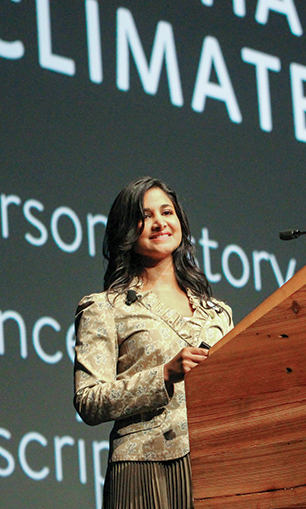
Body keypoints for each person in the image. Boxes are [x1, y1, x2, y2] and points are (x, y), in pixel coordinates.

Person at [73, 176, 233, 509]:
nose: (159, 222)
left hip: (219, 464)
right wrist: (163, 375)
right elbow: (89, 400)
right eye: (145, 216)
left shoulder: (218, 313)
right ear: (126, 232)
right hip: (143, 469)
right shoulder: (105, 308)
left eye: (167, 212)